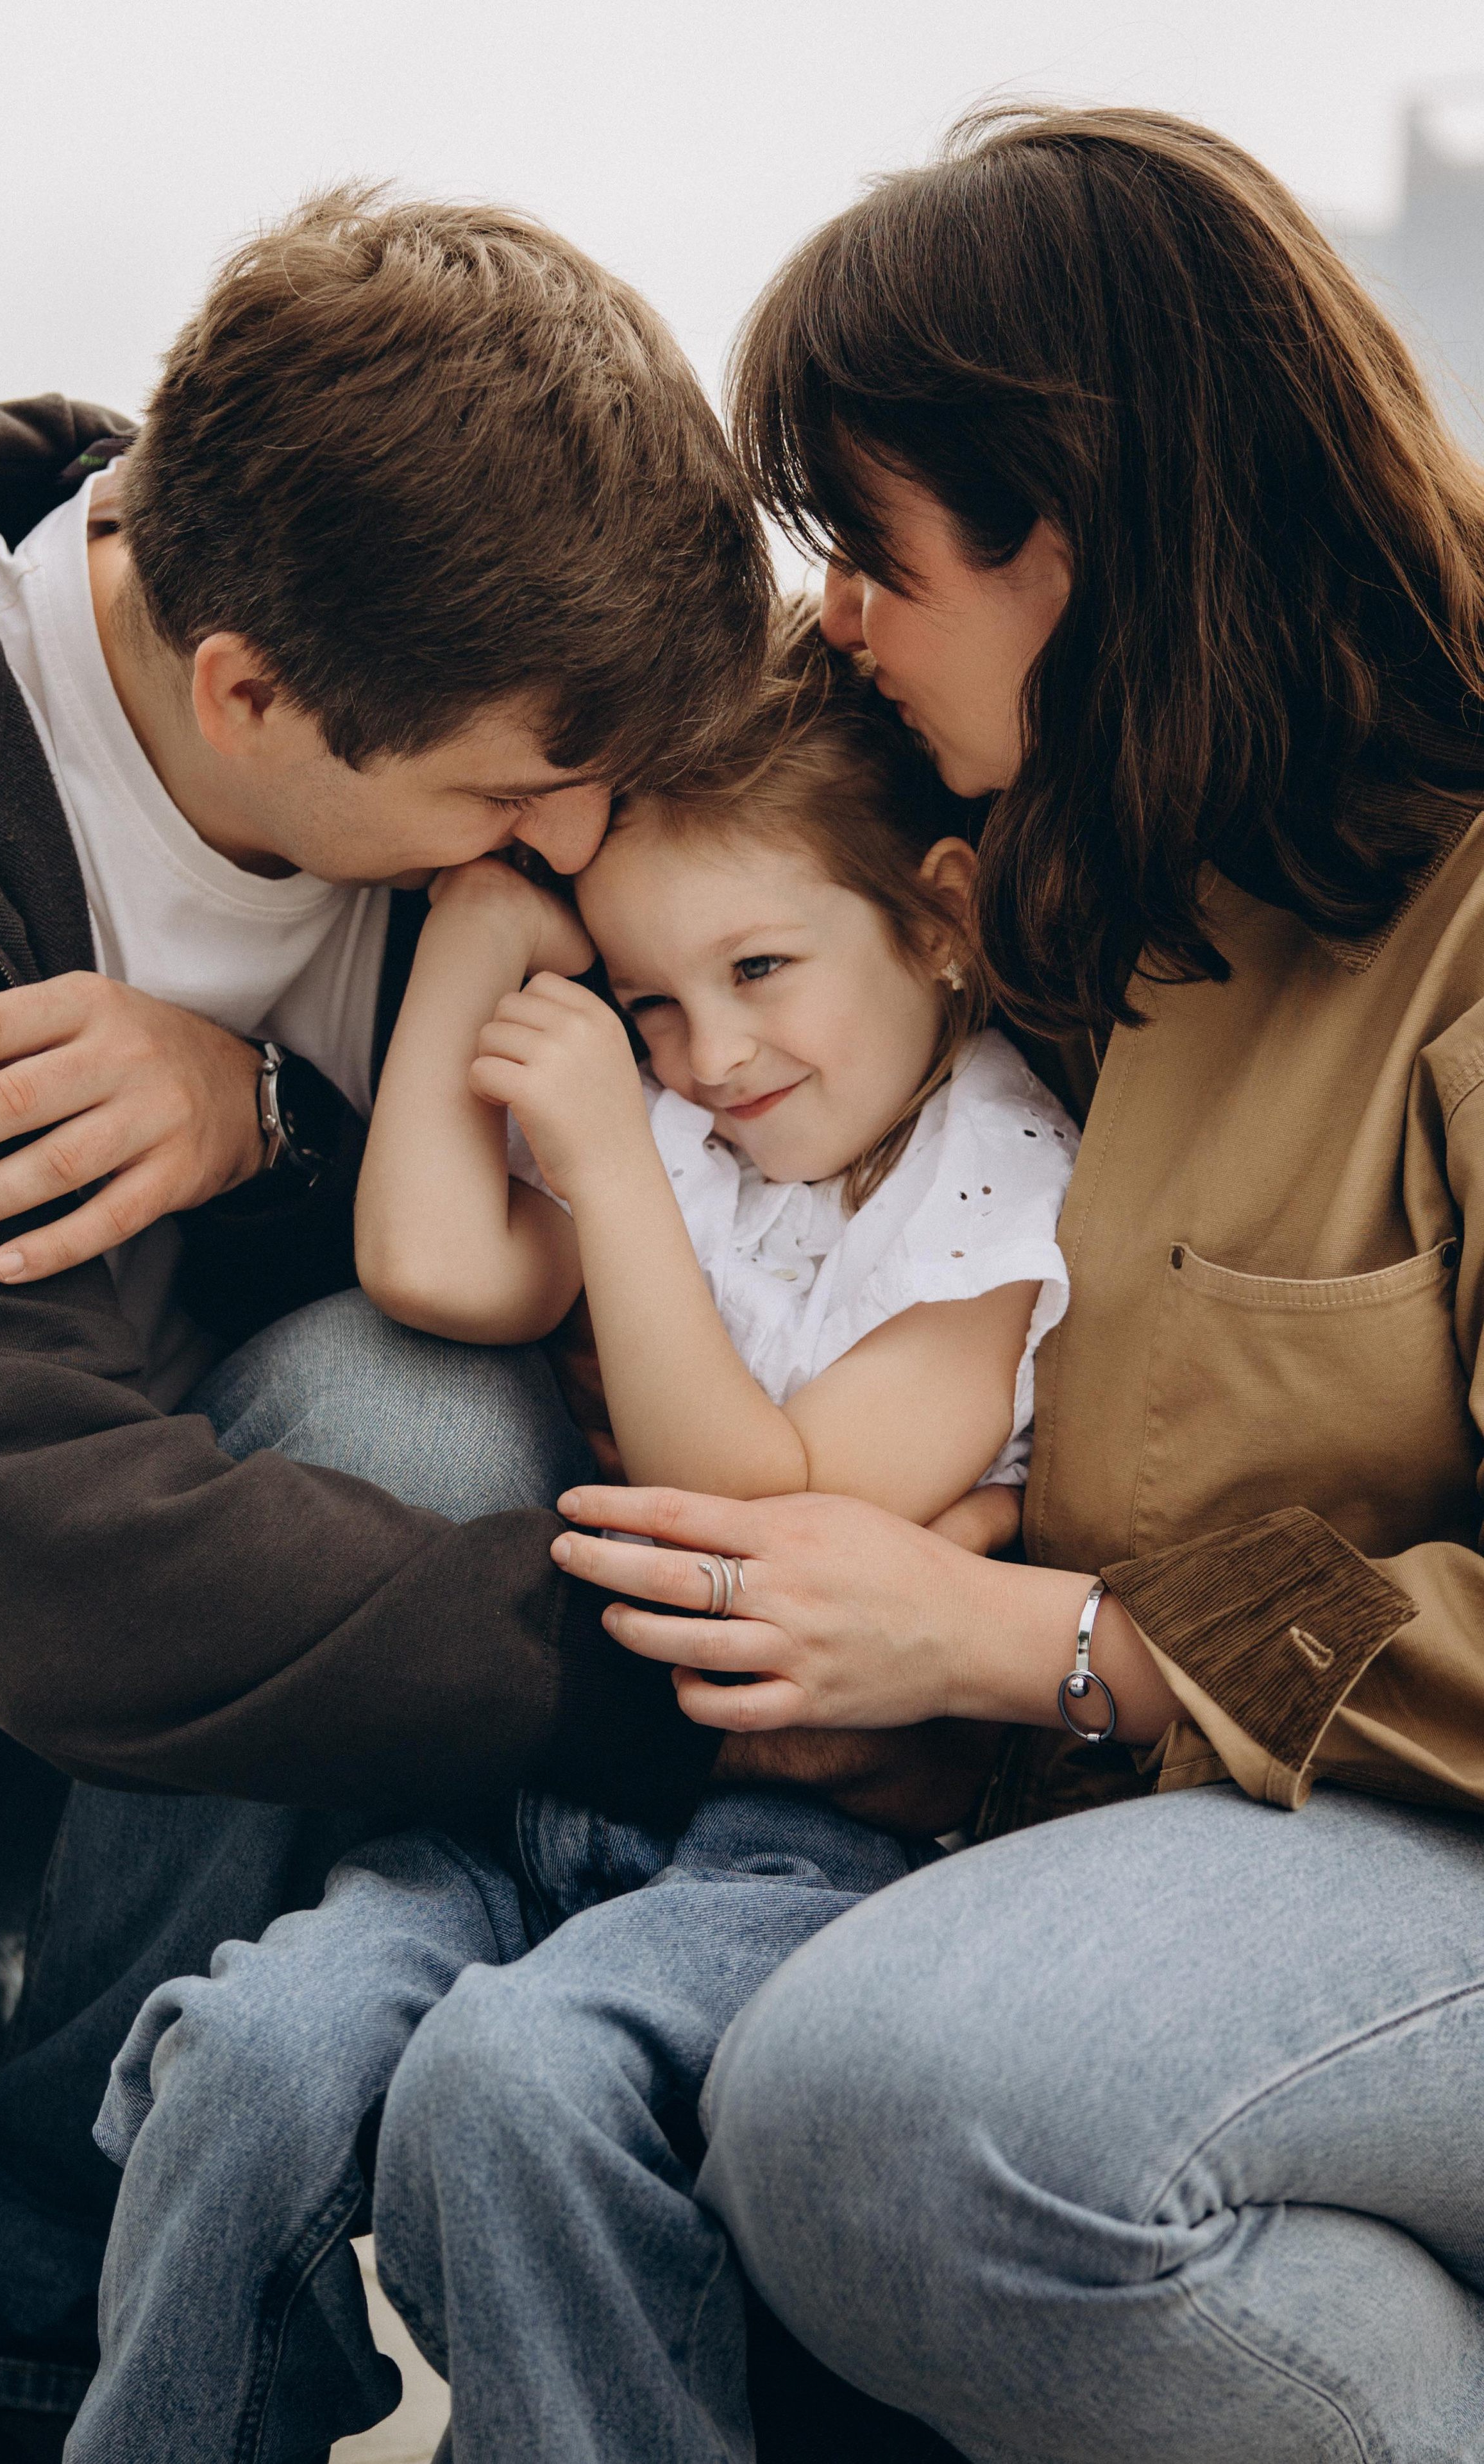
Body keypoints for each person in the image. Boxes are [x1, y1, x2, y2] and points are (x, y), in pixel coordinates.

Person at [525, 105, 1484, 2461]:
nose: (832, 608)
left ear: (1092, 534)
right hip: (1131, 1845)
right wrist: (236, 1094)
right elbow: (634, 889)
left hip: (1430, 1838)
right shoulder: (1040, 890)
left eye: (871, 544)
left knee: (891, 2100)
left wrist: (1046, 1646)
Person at [0, 179, 791, 2452]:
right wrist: (721, 1674)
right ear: (243, 694)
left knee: (411, 1396)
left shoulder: (424, 638)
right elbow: (83, 1565)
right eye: (510, 790)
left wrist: (267, 1110)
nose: (577, 841)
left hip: (146, 1723)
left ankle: (32, 2287)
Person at [60, 615, 1073, 2463]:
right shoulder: (698, 1129)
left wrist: (610, 1170)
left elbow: (759, 1517)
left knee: (517, 2085)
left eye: (763, 966)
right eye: (654, 996)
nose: (712, 1049)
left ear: (939, 917)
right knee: (263, 2053)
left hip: (794, 1856)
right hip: (524, 1801)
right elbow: (435, 1267)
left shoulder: (1001, 1193)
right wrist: (483, 946)